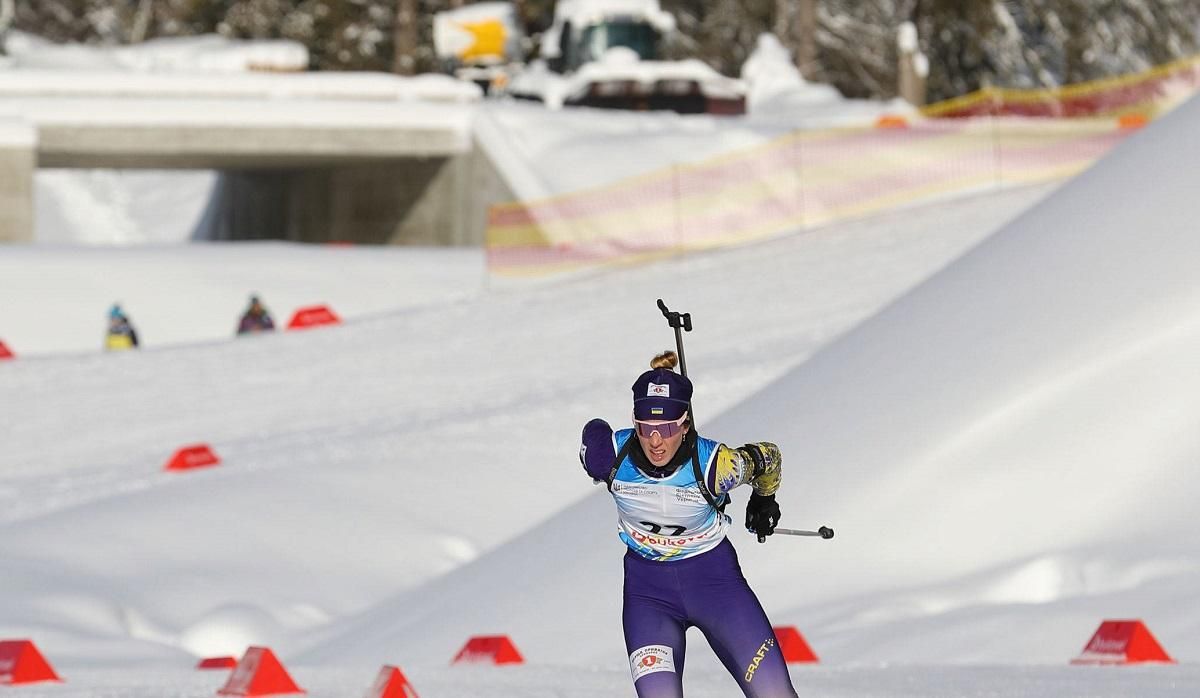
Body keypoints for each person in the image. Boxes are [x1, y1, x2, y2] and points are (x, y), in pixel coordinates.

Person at [579, 350, 797, 698]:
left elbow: (768, 456)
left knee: (774, 693)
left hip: (716, 586)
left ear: (684, 423)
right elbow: (593, 436)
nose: (655, 441)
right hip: (648, 595)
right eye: (646, 428)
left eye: (666, 428)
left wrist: (763, 498)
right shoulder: (610, 457)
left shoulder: (715, 464)